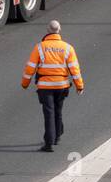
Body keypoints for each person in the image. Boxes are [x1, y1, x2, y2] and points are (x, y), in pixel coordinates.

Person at [21, 20, 84, 152]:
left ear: (48, 30)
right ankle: (57, 137)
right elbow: (74, 69)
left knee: (48, 113)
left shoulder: (39, 47)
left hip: (45, 87)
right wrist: (79, 86)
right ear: (59, 30)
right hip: (62, 85)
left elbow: (30, 67)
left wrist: (25, 83)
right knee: (58, 110)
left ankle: (48, 143)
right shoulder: (68, 48)